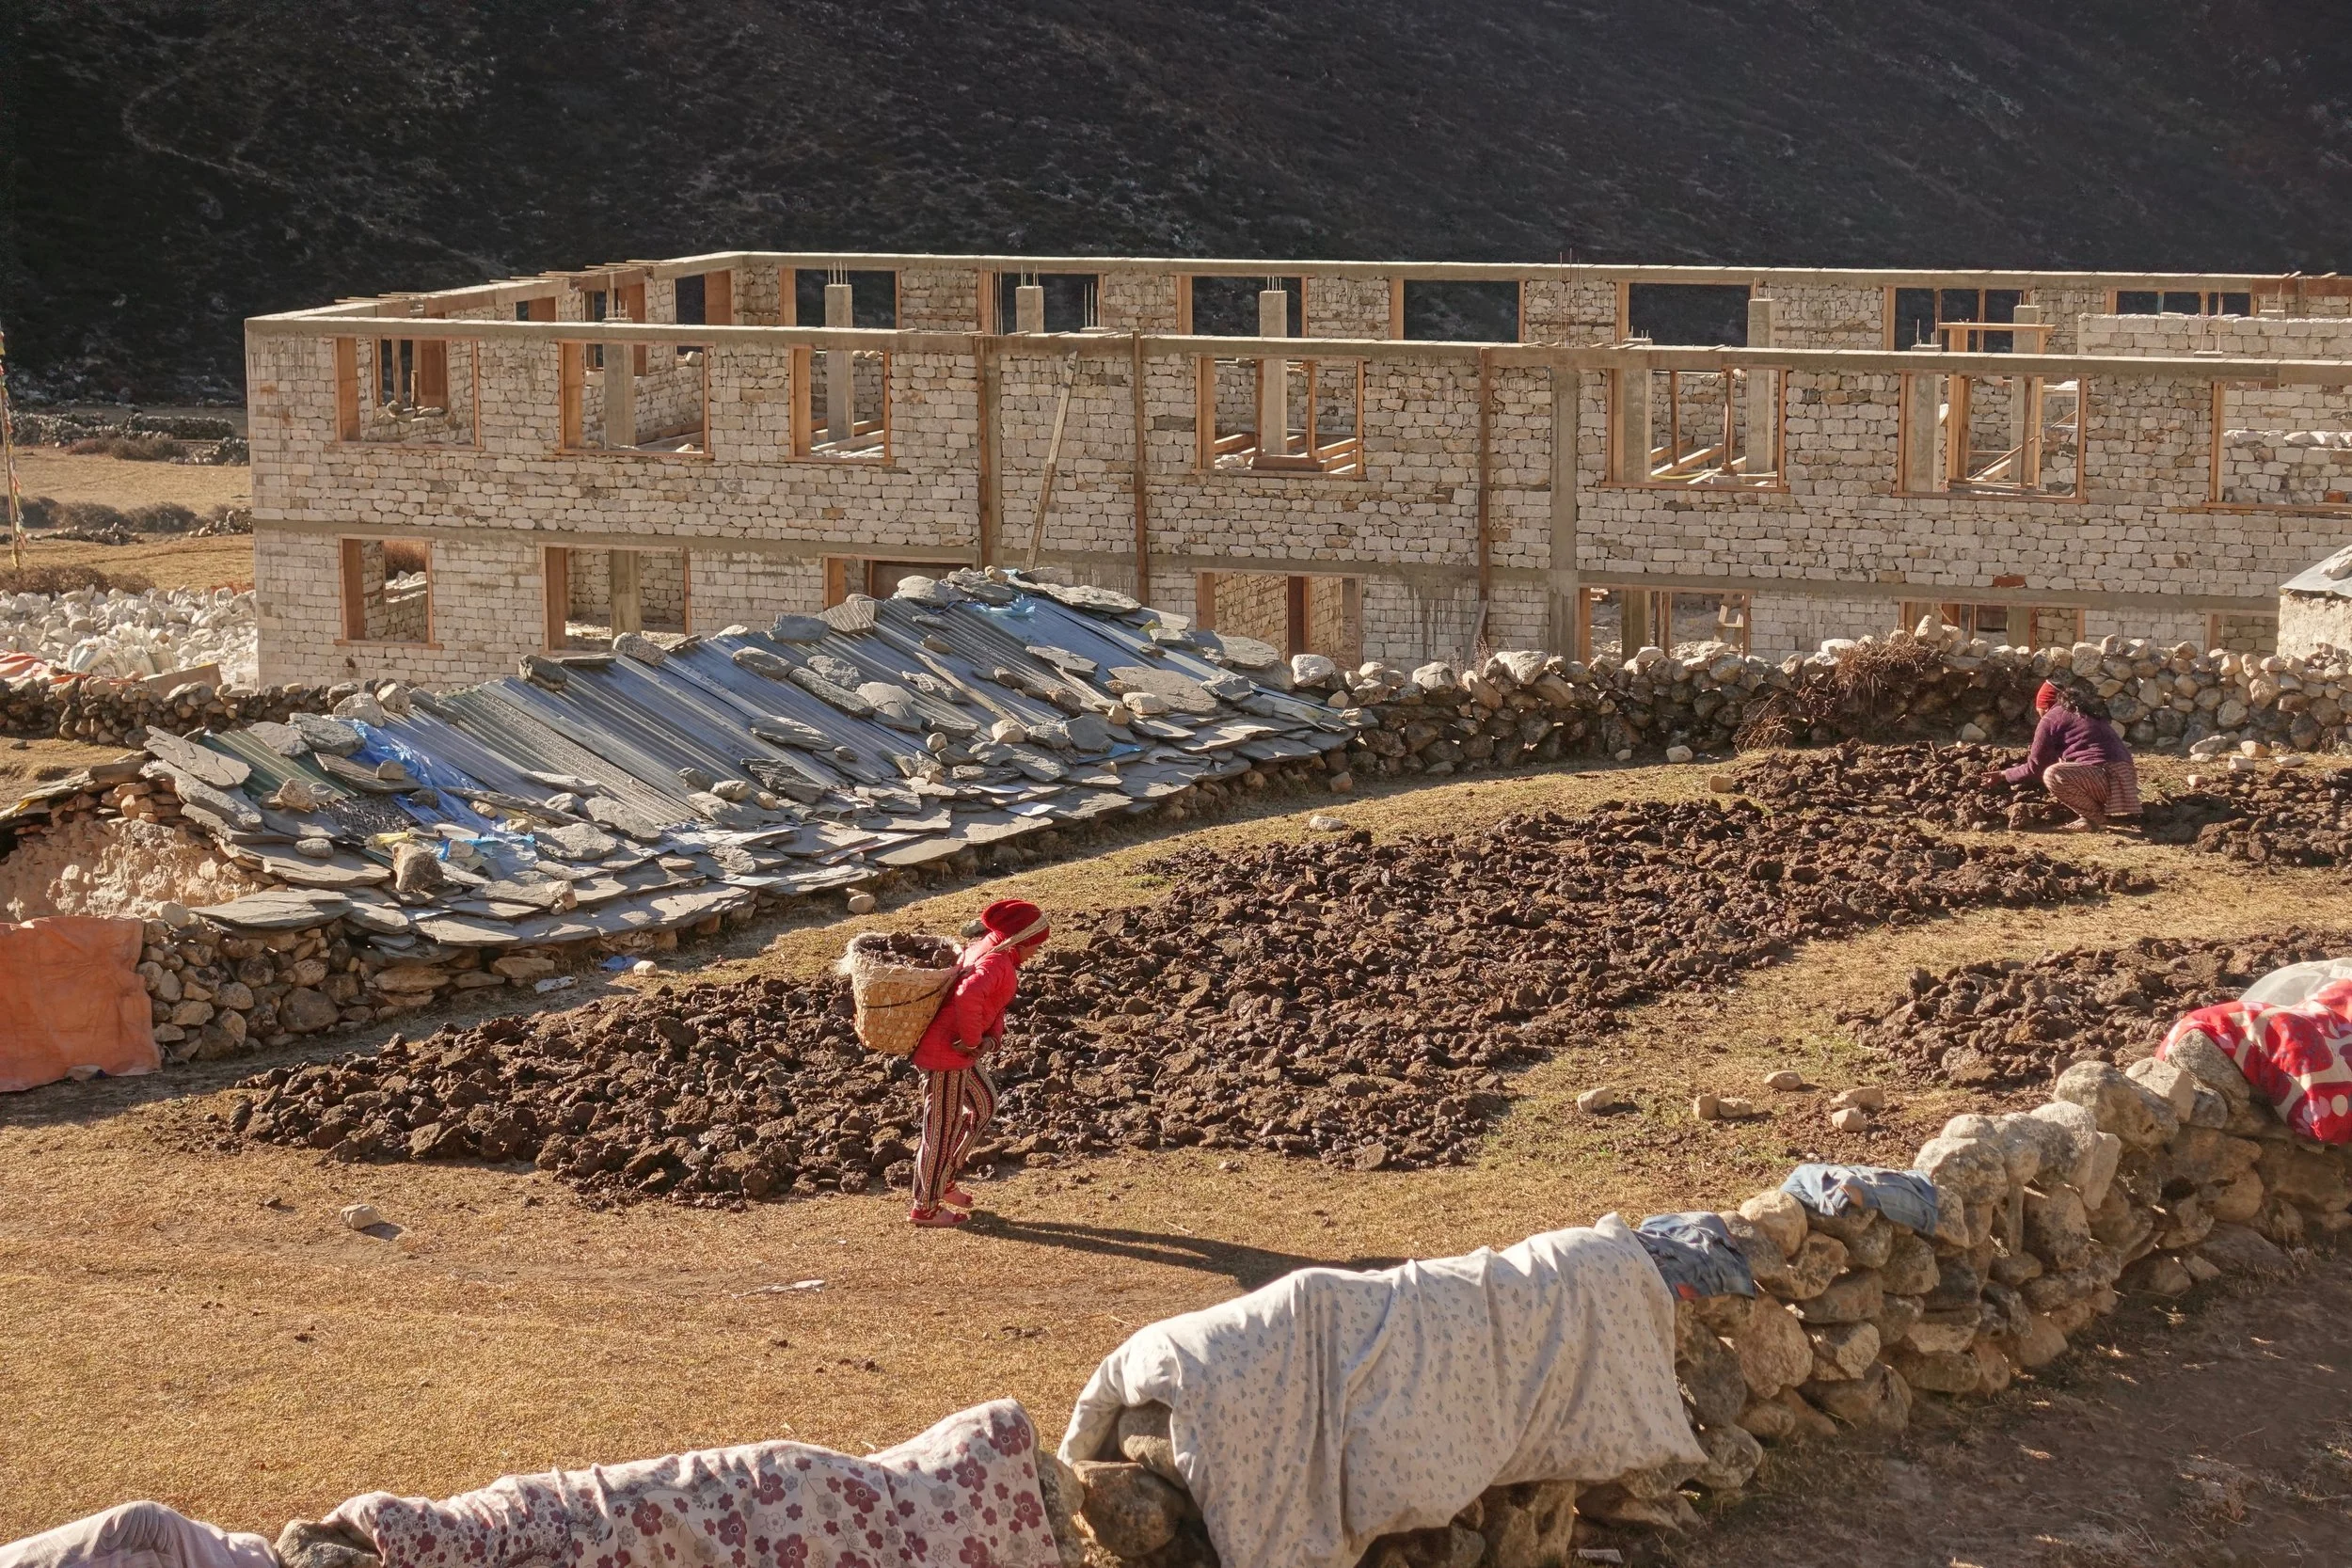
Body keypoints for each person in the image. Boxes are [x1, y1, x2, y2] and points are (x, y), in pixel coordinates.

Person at [907, 897, 1052, 1227]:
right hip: (947, 1056)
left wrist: (989, 1040)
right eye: (1036, 946)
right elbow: (969, 995)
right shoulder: (996, 962)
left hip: (959, 1056)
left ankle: (944, 1179)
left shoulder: (990, 948)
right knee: (941, 1131)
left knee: (984, 1105)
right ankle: (924, 1207)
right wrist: (973, 1041)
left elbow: (992, 1005)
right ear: (1024, 939)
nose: (1037, 953)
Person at [1988, 681, 2141, 831]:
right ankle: (2095, 807)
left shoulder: (2051, 718)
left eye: (2038, 709)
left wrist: (2003, 774)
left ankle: (2094, 818)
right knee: (2065, 764)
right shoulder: (2086, 713)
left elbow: (2035, 768)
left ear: (2045, 706)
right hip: (2126, 778)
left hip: (2104, 777)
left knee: (2053, 774)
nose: (2039, 714)